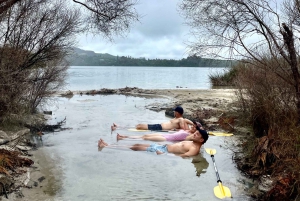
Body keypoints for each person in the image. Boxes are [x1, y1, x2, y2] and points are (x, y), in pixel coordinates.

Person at [98, 126, 209, 157]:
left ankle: (106, 146)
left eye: (197, 134)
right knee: (137, 144)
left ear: (201, 140)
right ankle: (108, 145)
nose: (195, 134)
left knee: (136, 148)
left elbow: (182, 156)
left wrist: (165, 154)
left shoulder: (194, 149)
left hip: (163, 150)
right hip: (163, 146)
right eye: (196, 132)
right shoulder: (193, 143)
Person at [111, 106, 193, 131]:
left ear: (178, 113)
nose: (173, 112)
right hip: (159, 126)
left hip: (160, 128)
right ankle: (118, 127)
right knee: (139, 125)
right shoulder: (181, 119)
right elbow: (188, 121)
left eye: (174, 111)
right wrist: (193, 124)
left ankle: (117, 127)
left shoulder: (181, 119)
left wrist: (174, 130)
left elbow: (183, 130)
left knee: (139, 126)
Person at [117, 121, 202, 142]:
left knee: (145, 138)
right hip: (164, 135)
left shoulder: (192, 136)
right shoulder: (186, 130)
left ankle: (123, 138)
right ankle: (124, 136)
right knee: (145, 136)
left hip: (166, 139)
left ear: (197, 131)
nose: (192, 127)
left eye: (194, 127)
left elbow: (199, 136)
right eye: (192, 126)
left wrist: (201, 129)